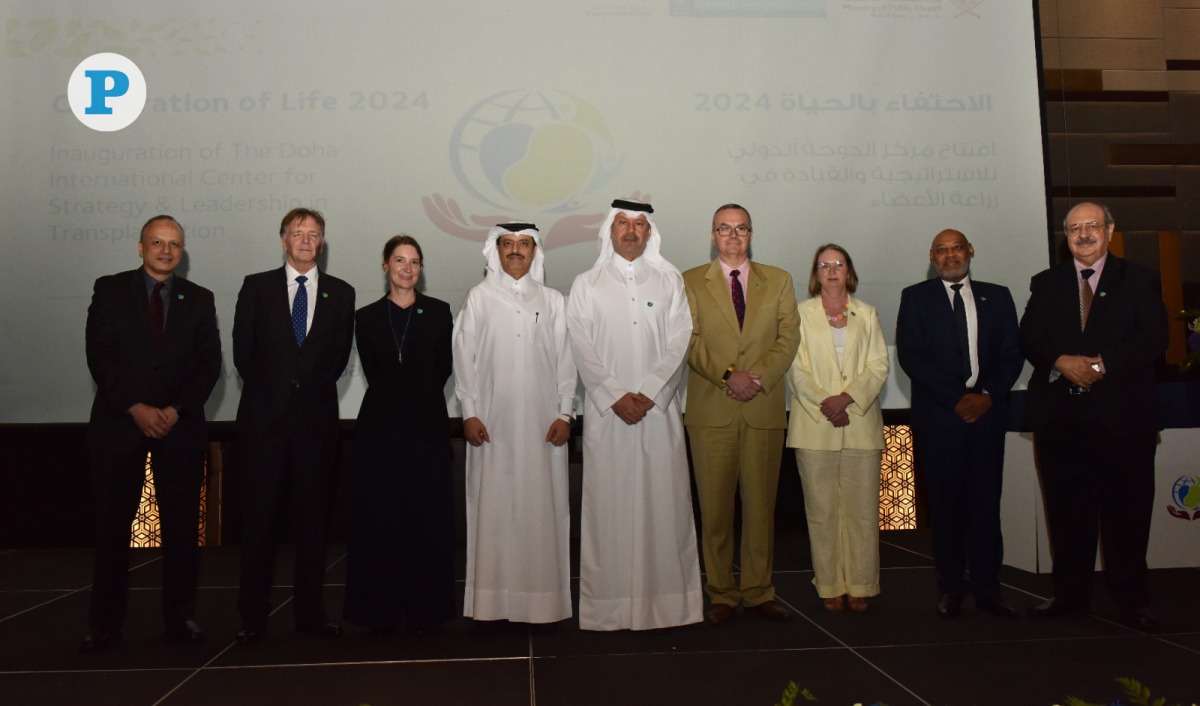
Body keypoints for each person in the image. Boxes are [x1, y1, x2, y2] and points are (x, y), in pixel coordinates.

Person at [1019, 202, 1167, 629]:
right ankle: (1069, 595)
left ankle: (1132, 600)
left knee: (1128, 513)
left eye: (1092, 226)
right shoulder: (1046, 284)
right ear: (1066, 236)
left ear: (1110, 230)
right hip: (1060, 421)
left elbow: (1153, 338)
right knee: (1066, 515)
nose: (1084, 234)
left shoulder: (1139, 279)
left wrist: (1100, 366)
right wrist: (1061, 360)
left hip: (1124, 420)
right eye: (1074, 228)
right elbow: (1028, 336)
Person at [80, 215, 221, 651]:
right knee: (111, 528)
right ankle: (105, 623)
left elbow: (208, 363)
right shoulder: (110, 289)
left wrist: (175, 410)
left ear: (183, 250)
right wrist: (135, 407)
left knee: (181, 530)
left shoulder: (199, 298)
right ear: (140, 248)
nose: (166, 250)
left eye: (174, 243)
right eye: (157, 242)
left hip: (179, 429)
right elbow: (99, 355)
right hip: (119, 425)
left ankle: (179, 619)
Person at [565, 198, 703, 631]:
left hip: (657, 414)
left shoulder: (669, 280)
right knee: (608, 510)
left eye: (639, 225)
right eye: (622, 223)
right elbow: (580, 344)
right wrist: (614, 394)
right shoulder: (586, 284)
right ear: (609, 230)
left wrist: (646, 392)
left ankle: (668, 607)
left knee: (665, 507)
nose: (630, 231)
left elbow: (681, 338)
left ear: (649, 233)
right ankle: (609, 609)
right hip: (608, 417)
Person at [233, 207, 355, 643]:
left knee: (312, 527)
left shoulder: (340, 293)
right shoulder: (257, 287)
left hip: (315, 428)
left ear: (322, 242)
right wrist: (276, 397)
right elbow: (243, 356)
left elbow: (338, 359)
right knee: (259, 524)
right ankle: (253, 616)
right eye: (298, 233)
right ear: (282, 240)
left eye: (314, 234)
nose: (306, 240)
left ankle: (310, 614)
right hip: (264, 427)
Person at [453, 222, 577, 625]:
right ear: (497, 250)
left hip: (545, 427)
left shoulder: (554, 300)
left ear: (535, 251)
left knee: (542, 512)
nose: (516, 251)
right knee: (494, 511)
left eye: (524, 244)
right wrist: (469, 411)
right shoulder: (478, 298)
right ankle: (491, 603)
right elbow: (464, 361)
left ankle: (542, 602)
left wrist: (565, 413)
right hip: (492, 425)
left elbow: (566, 361)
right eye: (508, 244)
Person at [896, 229, 1024, 619]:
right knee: (946, 507)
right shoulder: (915, 297)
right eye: (941, 250)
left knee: (986, 506)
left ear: (970, 251)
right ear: (932, 257)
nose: (950, 256)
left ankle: (989, 589)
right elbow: (911, 356)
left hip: (987, 416)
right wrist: (957, 399)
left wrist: (986, 396)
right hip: (940, 418)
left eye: (956, 248)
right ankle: (951, 588)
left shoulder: (998, 295)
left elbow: (1012, 353)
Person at [682, 204, 800, 625]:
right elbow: (688, 340)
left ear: (752, 233)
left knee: (760, 510)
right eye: (724, 229)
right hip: (711, 411)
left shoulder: (780, 280)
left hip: (762, 408)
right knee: (714, 512)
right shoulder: (691, 281)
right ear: (712, 235)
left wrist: (758, 378)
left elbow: (789, 337)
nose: (733, 235)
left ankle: (758, 590)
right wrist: (729, 375)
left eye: (741, 228)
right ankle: (721, 593)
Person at [343, 235, 456, 633]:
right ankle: (379, 610)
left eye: (415, 262)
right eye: (399, 260)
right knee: (379, 521)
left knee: (429, 520)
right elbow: (375, 371)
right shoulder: (366, 316)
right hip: (380, 428)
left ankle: (429, 609)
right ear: (385, 266)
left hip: (426, 424)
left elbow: (443, 367)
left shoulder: (440, 312)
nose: (407, 269)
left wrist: (416, 391)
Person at [786, 244, 888, 613]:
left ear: (849, 271)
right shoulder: (799, 314)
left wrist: (846, 398)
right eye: (824, 265)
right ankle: (829, 584)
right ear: (815, 273)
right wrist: (827, 404)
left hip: (860, 423)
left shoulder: (868, 313)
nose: (831, 270)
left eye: (838, 264)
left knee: (862, 510)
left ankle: (861, 584)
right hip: (814, 426)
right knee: (822, 510)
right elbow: (795, 369)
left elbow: (878, 366)